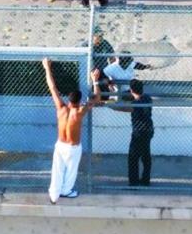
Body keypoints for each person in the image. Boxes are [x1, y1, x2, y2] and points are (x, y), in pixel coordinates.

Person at [42, 58, 101, 204]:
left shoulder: (61, 108)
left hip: (60, 145)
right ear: (79, 100)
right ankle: (66, 190)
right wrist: (95, 80)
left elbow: (52, 87)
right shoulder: (80, 111)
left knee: (57, 169)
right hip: (73, 147)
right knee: (71, 170)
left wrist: (47, 68)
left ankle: (54, 194)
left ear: (69, 99)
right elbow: (97, 97)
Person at [112, 79, 154, 186]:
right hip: (148, 130)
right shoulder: (147, 98)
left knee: (133, 157)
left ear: (131, 90)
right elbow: (130, 97)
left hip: (139, 132)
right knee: (145, 156)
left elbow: (123, 108)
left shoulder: (136, 104)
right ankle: (145, 180)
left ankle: (134, 182)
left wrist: (110, 104)